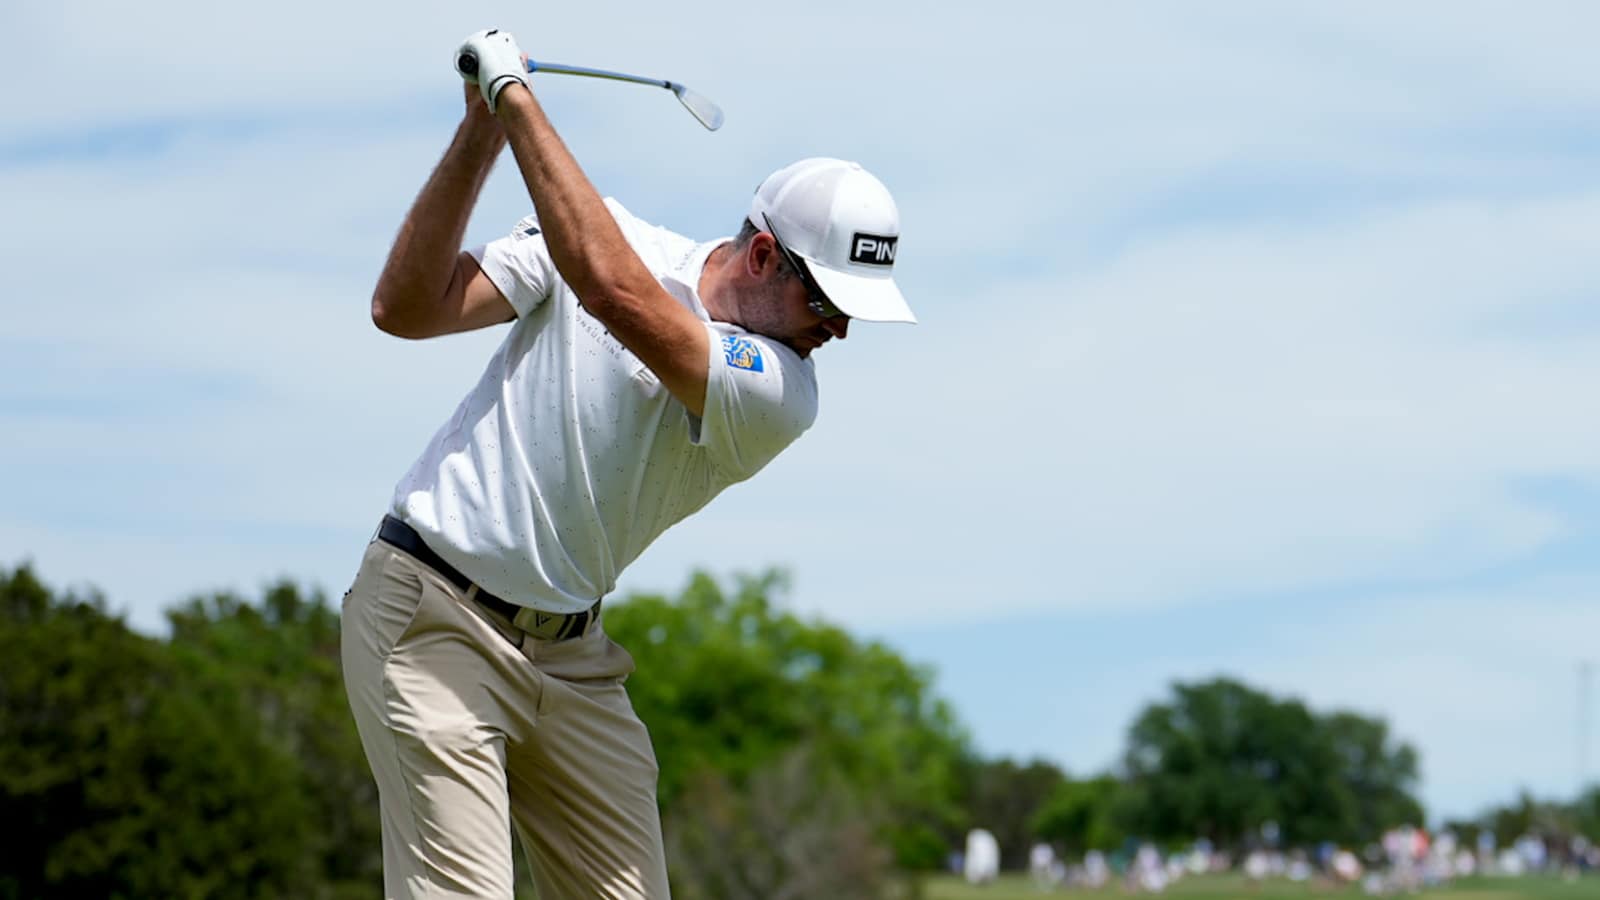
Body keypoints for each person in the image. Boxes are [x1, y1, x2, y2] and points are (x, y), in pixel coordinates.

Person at [339, 28, 916, 900]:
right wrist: (481, 132)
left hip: (572, 660)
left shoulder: (781, 392)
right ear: (764, 255)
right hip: (431, 615)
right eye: (827, 301)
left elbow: (614, 293)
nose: (837, 331)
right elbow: (405, 307)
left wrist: (516, 99)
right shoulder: (608, 239)